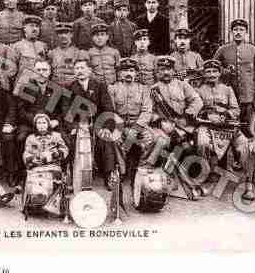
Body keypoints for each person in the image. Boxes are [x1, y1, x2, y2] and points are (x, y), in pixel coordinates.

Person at [195, 59, 255, 201]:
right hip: (207, 126)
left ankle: (249, 185)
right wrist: (208, 115)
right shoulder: (198, 91)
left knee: (245, 146)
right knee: (203, 143)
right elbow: (196, 111)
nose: (211, 74)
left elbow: (236, 110)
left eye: (214, 71)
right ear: (204, 74)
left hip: (229, 127)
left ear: (219, 73)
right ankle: (207, 178)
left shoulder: (228, 90)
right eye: (208, 72)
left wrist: (225, 114)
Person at [150, 56, 204, 197]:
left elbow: (197, 101)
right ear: (157, 72)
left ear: (173, 70)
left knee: (189, 147)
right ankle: (169, 177)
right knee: (165, 143)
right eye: (162, 69)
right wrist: (160, 122)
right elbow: (148, 111)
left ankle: (192, 177)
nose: (166, 72)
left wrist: (187, 116)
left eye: (168, 69)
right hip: (162, 126)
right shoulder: (153, 90)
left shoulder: (182, 85)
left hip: (183, 124)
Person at [61, 58, 116, 187]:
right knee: (70, 139)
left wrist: (107, 127)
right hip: (77, 124)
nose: (79, 71)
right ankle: (71, 174)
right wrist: (74, 126)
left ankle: (108, 175)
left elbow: (108, 109)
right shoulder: (68, 87)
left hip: (97, 123)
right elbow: (65, 111)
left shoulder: (100, 86)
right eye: (77, 68)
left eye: (82, 68)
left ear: (90, 70)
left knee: (106, 140)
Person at [213, 18, 255, 138]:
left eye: (241, 30)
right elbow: (212, 69)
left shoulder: (253, 50)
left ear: (246, 33)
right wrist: (224, 72)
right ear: (231, 32)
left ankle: (247, 152)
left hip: (248, 97)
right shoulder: (222, 50)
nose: (238, 32)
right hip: (228, 97)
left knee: (247, 128)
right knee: (227, 126)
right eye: (235, 29)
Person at [15, 60, 63, 184]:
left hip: (50, 124)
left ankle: (60, 174)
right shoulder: (26, 87)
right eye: (39, 70)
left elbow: (61, 110)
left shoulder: (56, 89)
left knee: (65, 139)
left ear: (50, 72)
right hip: (30, 123)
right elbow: (21, 110)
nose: (41, 73)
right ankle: (22, 174)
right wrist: (36, 121)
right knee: (21, 138)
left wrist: (55, 121)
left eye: (44, 70)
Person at [107, 58, 154, 181]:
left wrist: (136, 129)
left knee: (151, 139)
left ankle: (141, 170)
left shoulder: (144, 89)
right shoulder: (112, 89)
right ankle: (121, 171)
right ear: (119, 73)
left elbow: (147, 111)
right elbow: (111, 111)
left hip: (138, 124)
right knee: (114, 139)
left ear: (136, 73)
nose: (128, 73)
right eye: (125, 71)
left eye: (132, 70)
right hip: (119, 124)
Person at [11, 15, 48, 88]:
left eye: (37, 26)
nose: (34, 29)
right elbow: (11, 71)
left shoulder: (43, 46)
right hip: (23, 87)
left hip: (40, 86)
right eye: (31, 26)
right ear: (24, 28)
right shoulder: (17, 46)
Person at [48, 22, 88, 87]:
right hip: (56, 87)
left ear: (71, 34)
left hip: (74, 87)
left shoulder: (79, 53)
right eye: (60, 33)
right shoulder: (51, 53)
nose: (63, 36)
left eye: (66, 33)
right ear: (56, 35)